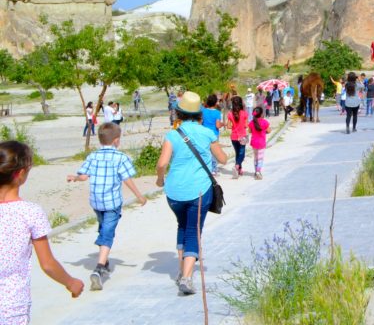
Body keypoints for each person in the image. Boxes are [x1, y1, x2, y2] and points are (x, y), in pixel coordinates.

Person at [0, 141, 84, 321]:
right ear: (21, 174)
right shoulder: (30, 212)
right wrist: (71, 283)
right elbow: (47, 263)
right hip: (11, 305)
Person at [155, 91, 228, 296]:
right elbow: (222, 159)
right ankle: (186, 278)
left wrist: (160, 179)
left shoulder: (172, 134)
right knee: (193, 231)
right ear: (200, 115)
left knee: (182, 226)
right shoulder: (207, 133)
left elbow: (161, 164)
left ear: (179, 113)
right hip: (199, 190)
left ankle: (181, 270)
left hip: (174, 192)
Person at [66, 122, 147, 290]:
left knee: (104, 227)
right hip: (112, 202)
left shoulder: (93, 156)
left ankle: (105, 258)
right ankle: (99, 269)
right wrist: (139, 196)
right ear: (116, 140)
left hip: (96, 201)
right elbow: (127, 179)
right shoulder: (120, 157)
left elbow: (83, 176)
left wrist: (74, 177)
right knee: (108, 233)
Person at [226, 96, 249, 179]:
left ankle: (239, 169)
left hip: (234, 137)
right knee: (242, 154)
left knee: (237, 153)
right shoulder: (244, 113)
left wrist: (234, 125)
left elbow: (228, 126)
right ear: (241, 103)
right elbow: (246, 125)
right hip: (242, 136)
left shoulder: (230, 114)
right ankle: (237, 166)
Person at [248, 107, 270, 179]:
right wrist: (264, 131)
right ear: (261, 114)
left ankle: (255, 171)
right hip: (261, 143)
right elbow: (269, 131)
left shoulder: (251, 122)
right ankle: (258, 171)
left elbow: (249, 131)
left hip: (254, 142)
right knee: (260, 158)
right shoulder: (265, 122)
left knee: (255, 157)